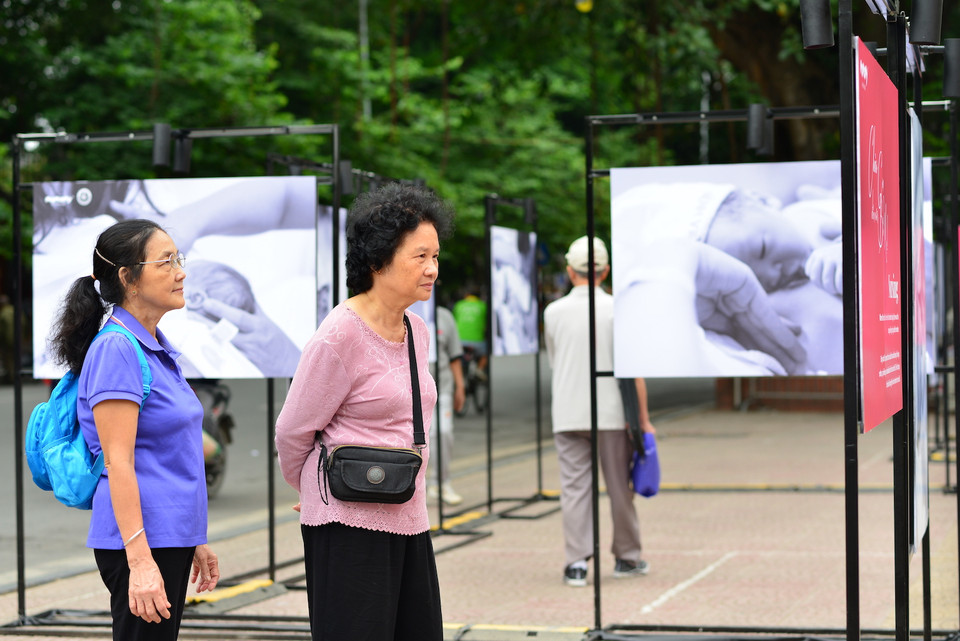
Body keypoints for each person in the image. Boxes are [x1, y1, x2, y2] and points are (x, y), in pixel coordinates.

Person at [275, 183, 453, 640]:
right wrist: (311, 486)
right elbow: (293, 430)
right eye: (420, 256)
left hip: (408, 512)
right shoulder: (340, 335)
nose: (432, 268)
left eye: (435, 256)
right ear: (378, 260)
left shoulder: (417, 329)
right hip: (347, 520)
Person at [47, 219, 219, 640]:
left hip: (167, 537)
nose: (180, 272)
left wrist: (193, 537)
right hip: (142, 543)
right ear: (128, 278)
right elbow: (118, 462)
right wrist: (140, 560)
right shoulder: (117, 349)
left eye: (178, 259)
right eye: (166, 262)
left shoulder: (151, 346)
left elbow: (168, 454)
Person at [543, 235, 655, 587]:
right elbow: (633, 371)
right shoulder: (619, 308)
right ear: (605, 271)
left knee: (575, 489)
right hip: (611, 412)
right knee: (620, 487)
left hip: (567, 410)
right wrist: (644, 420)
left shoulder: (553, 312)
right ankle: (627, 556)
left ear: (569, 271)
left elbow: (555, 359)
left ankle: (576, 563)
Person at [427, 305, 466, 505]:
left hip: (442, 387)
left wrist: (460, 386)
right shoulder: (401, 310)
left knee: (443, 432)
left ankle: (440, 482)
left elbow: (454, 356)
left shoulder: (444, 316)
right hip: (411, 390)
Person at [453, 293, 488, 375]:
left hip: (460, 340)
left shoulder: (459, 305)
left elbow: (454, 320)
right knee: (487, 353)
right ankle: (479, 369)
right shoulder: (482, 305)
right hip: (477, 341)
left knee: (455, 356)